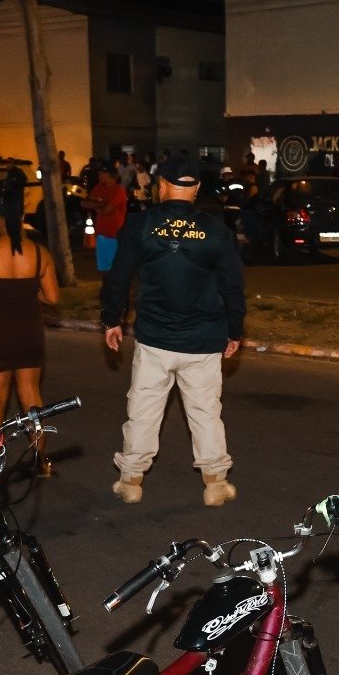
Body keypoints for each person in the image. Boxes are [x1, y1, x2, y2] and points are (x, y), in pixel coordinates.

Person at [100, 152, 245, 507]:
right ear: (195, 189)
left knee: (143, 411)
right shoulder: (217, 231)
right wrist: (235, 330)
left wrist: (112, 319)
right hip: (203, 341)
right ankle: (215, 484)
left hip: (155, 340)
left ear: (162, 187)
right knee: (206, 413)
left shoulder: (140, 225)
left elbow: (119, 277)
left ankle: (131, 482)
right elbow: (233, 286)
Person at [0, 170, 60, 475]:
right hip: (29, 333)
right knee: (32, 397)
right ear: (22, 215)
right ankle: (40, 460)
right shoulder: (39, 253)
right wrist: (28, 294)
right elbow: (52, 297)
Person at [82, 162, 129, 273]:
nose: (98, 176)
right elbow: (84, 203)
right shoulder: (99, 187)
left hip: (114, 235)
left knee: (114, 269)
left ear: (107, 175)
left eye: (100, 174)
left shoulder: (118, 190)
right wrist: (101, 204)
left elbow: (107, 209)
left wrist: (95, 205)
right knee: (103, 269)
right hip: (101, 234)